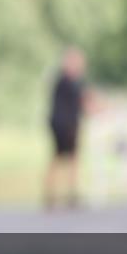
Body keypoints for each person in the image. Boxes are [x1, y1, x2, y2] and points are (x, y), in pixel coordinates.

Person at [44, 47, 91, 210]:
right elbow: (83, 101)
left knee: (61, 158)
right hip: (66, 125)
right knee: (69, 158)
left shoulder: (62, 81)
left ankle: (58, 194)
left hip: (60, 123)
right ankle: (64, 194)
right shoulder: (69, 82)